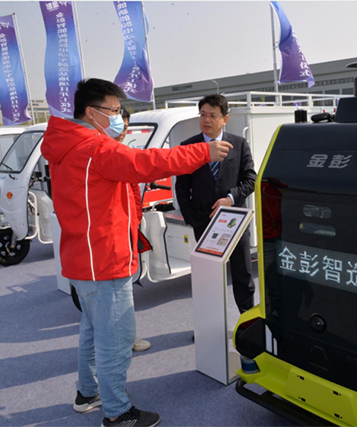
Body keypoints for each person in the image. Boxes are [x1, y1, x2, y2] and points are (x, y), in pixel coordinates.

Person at [41, 79, 231, 427]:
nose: (118, 116)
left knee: (93, 331)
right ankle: (117, 413)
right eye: (114, 110)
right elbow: (147, 162)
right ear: (91, 113)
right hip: (104, 259)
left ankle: (88, 393)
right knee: (116, 339)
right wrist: (203, 153)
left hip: (85, 256)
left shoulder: (68, 145)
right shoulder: (95, 148)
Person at [175, 94, 257, 314]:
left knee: (242, 274)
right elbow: (181, 188)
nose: (206, 120)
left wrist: (230, 198)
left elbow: (251, 179)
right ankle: (210, 325)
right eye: (203, 114)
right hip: (203, 221)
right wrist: (191, 218)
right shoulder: (188, 146)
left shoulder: (238, 143)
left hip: (234, 220)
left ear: (225, 119)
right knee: (208, 277)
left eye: (212, 115)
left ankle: (248, 321)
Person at [115, 109, 151, 353]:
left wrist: (135, 220)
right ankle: (125, 341)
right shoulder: (106, 154)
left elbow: (134, 193)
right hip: (113, 239)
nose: (123, 132)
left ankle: (125, 338)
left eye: (126, 127)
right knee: (119, 295)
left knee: (123, 291)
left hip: (126, 232)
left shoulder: (121, 153)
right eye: (120, 126)